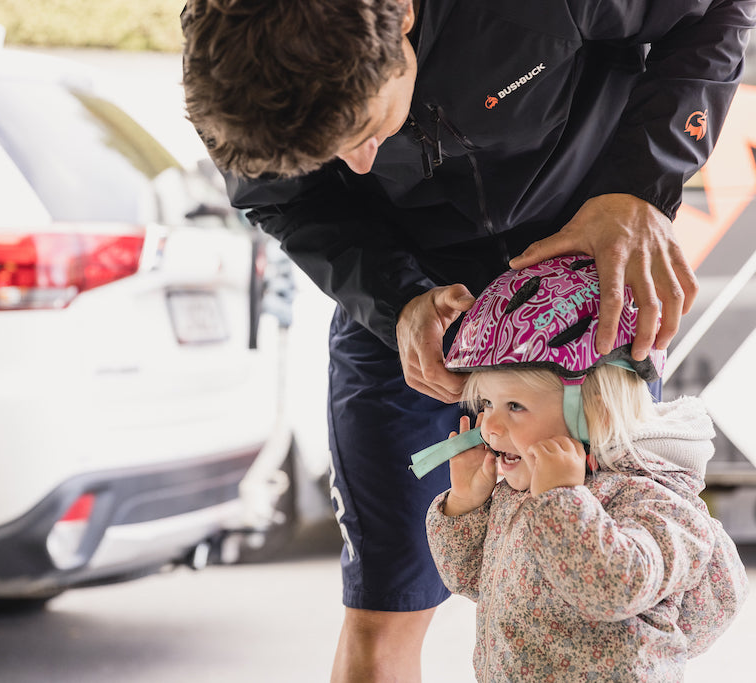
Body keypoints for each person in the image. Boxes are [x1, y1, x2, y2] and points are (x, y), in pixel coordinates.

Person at [180, 0, 756, 679]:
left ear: (398, 20)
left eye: (364, 130)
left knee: (601, 612)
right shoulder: (241, 66)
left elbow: (719, 10)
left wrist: (640, 185)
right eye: (330, 154)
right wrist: (394, 298)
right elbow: (282, 199)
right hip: (403, 299)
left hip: (580, 299)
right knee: (379, 614)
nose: (362, 165)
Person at [422, 255, 748, 681]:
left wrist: (561, 501)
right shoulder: (526, 493)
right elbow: (472, 580)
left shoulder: (653, 499)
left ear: (594, 411)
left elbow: (612, 589)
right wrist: (466, 503)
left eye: (515, 406)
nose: (489, 426)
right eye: (486, 404)